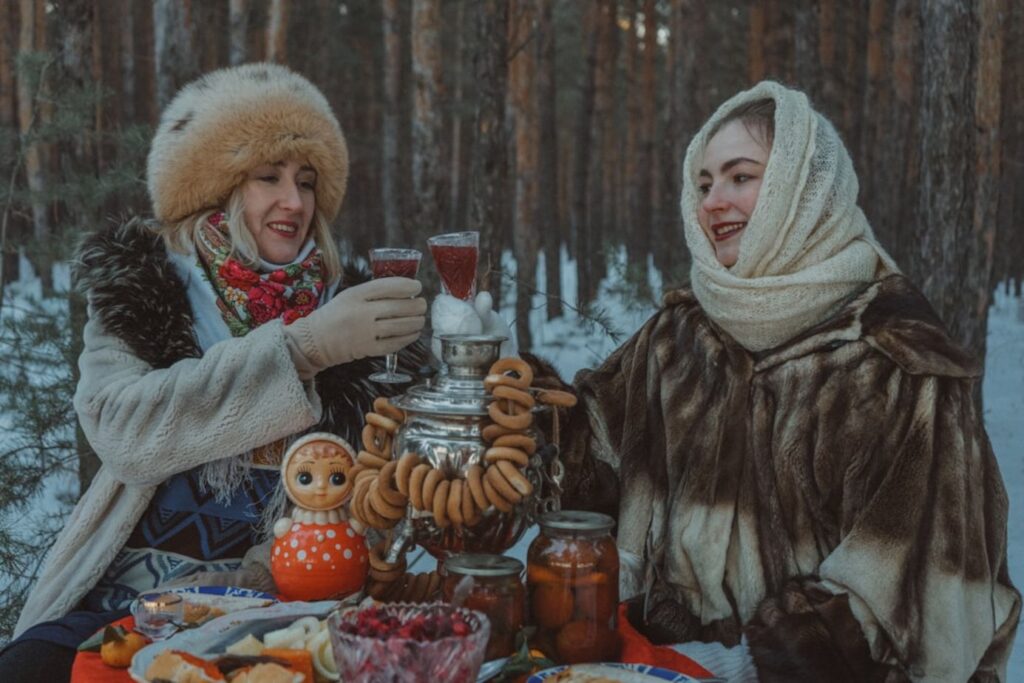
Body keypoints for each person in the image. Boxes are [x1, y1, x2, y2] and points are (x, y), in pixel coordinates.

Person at [442, 81, 1021, 681]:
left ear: (804, 190)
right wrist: (512, 392)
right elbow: (589, 471)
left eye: (740, 177)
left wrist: (743, 664)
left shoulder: (896, 360)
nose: (713, 202)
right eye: (703, 184)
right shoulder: (680, 336)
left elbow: (923, 595)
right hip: (655, 663)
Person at [0, 63, 427, 681]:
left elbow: (382, 497)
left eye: (307, 182)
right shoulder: (146, 288)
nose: (295, 202)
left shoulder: (357, 314)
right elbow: (123, 434)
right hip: (122, 606)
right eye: (268, 177)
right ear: (217, 186)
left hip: (278, 612)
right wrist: (302, 350)